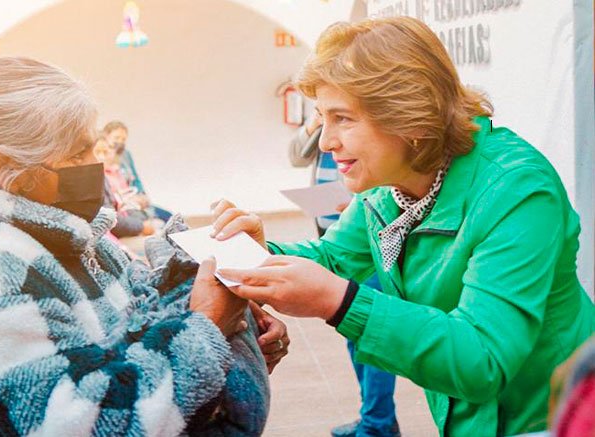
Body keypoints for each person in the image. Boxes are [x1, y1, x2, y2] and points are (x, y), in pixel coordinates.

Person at [211, 16, 595, 436]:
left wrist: (340, 302)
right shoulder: (387, 186)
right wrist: (254, 256)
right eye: (322, 117)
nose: (325, 141)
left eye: (343, 118)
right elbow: (332, 257)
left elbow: (483, 360)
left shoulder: (516, 189)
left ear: (408, 117)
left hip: (557, 419)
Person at [0, 56, 285, 436]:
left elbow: (138, 325)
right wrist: (207, 326)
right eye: (77, 153)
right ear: (9, 170)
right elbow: (92, 426)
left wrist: (228, 308)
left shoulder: (65, 235)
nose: (94, 166)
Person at [290, 117, 399, 436]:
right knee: (354, 331)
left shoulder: (367, 121)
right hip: (335, 237)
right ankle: (376, 417)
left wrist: (360, 202)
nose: (329, 140)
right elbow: (296, 155)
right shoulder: (322, 127)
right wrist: (313, 124)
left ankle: (377, 425)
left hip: (368, 239)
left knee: (372, 333)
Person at [103, 121, 172, 222]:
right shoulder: (103, 159)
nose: (120, 142)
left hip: (135, 200)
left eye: (123, 139)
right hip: (124, 206)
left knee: (170, 217)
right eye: (116, 138)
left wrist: (142, 195)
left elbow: (135, 178)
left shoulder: (126, 155)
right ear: (106, 136)